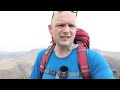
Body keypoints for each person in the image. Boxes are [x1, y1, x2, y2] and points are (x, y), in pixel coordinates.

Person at [30, 11, 115, 79]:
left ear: (75, 29)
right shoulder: (42, 57)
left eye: (71, 26)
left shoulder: (94, 59)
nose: (66, 30)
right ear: (50, 29)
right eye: (61, 25)